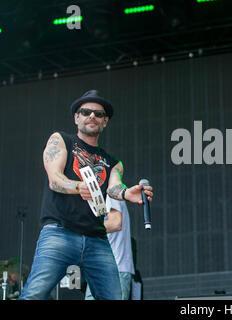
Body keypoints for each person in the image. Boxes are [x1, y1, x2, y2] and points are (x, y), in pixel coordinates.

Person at [19, 90, 153, 300]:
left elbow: (113, 188)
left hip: (96, 239)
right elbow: (54, 179)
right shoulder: (61, 140)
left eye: (98, 114)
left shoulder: (113, 162)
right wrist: (77, 187)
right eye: (86, 112)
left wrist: (128, 193)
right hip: (60, 231)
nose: (92, 116)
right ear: (76, 117)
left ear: (105, 122)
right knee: (34, 294)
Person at [85, 196, 135, 300]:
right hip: (99, 269)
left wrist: (83, 227)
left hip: (116, 268)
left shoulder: (110, 194)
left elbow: (116, 223)